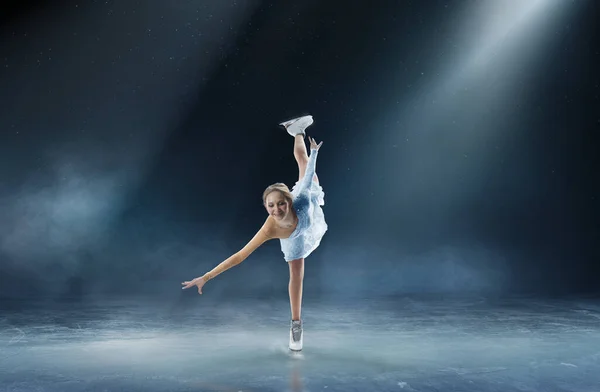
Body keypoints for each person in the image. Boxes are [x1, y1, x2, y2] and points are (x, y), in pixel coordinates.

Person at [181, 115, 328, 351]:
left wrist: (315, 153)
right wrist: (206, 277)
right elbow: (240, 256)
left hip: (306, 217)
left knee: (304, 161)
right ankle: (296, 324)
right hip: (293, 239)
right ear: (266, 208)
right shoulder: (270, 227)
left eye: (280, 204)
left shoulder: (301, 199)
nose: (276, 209)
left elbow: (309, 173)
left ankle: (297, 129)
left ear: (288, 202)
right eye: (271, 206)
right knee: (297, 274)